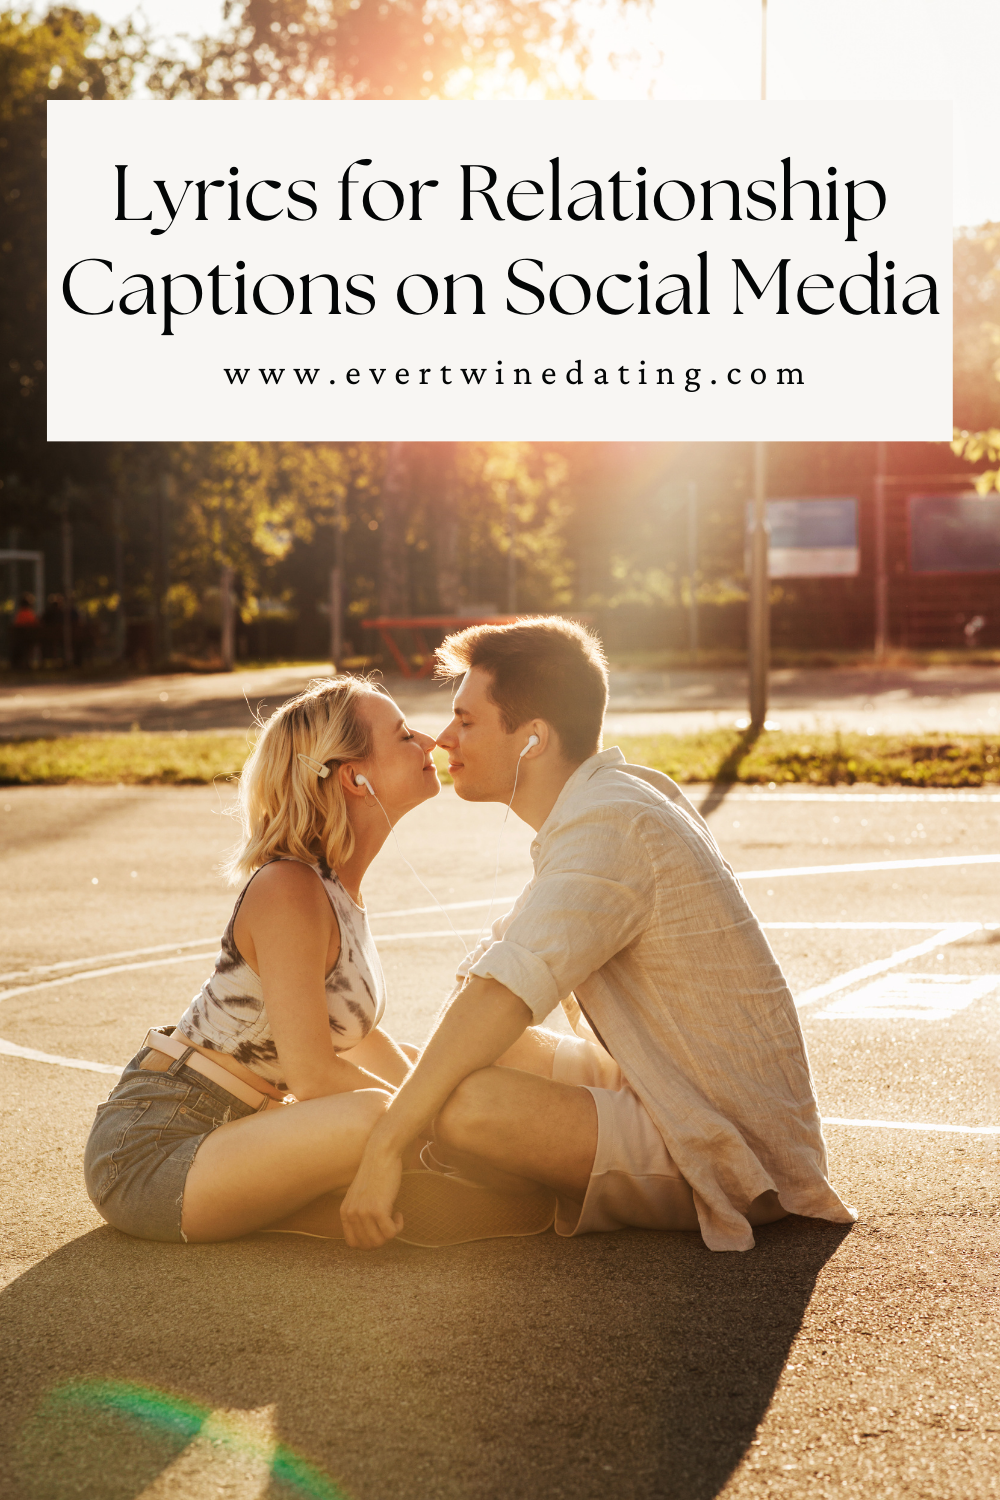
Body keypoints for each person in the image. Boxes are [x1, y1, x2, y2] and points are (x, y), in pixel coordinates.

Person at [340, 617, 856, 1254]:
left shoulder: (610, 825)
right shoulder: (608, 800)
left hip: (728, 1142)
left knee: (465, 1105)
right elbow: (490, 981)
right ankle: (464, 1168)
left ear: (533, 740)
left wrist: (388, 1142)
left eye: (466, 721)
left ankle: (440, 1177)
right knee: (459, 1061)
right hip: (671, 1078)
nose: (444, 738)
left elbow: (501, 991)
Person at [83, 675, 553, 1245]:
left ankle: (387, 1186)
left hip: (243, 1128)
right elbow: (312, 1075)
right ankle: (402, 1185)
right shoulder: (289, 887)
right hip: (154, 1151)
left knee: (428, 1074)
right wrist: (435, 1132)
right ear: (356, 777)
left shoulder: (335, 888)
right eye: (404, 735)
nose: (429, 740)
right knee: (375, 1119)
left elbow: (360, 1042)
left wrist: (450, 1111)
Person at [9, 592, 38, 671]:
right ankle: (27, 663)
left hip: (18, 639)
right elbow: (34, 624)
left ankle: (19, 664)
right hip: (27, 639)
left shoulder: (19, 614)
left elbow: (15, 625)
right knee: (28, 645)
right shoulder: (29, 613)